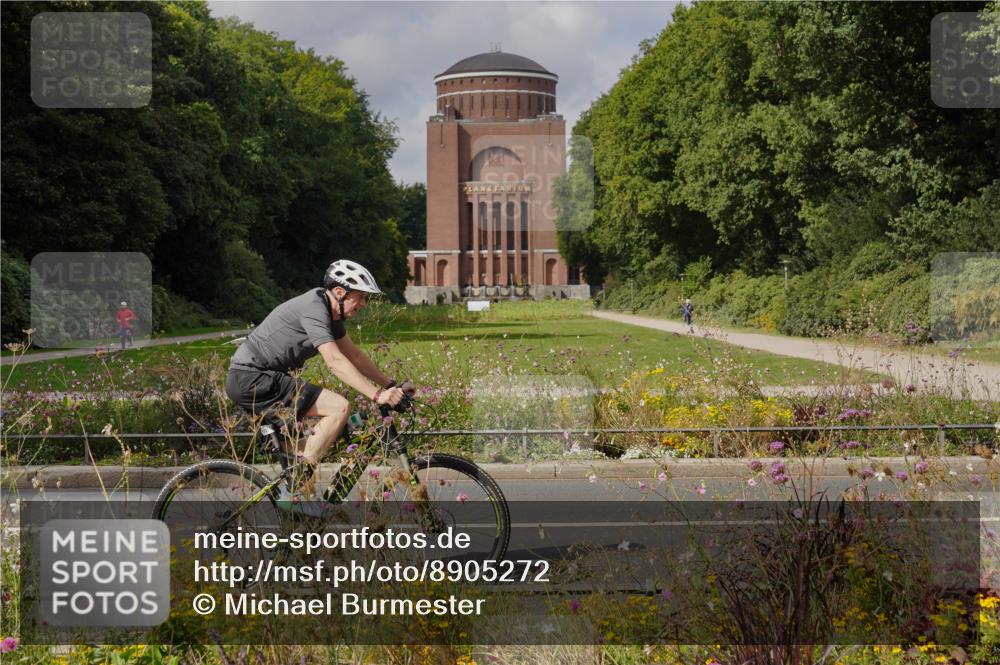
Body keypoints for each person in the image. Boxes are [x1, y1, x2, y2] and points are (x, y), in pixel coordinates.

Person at [224, 260, 415, 508]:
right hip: (252, 378)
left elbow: (353, 356)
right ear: (339, 292)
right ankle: (293, 489)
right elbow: (334, 361)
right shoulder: (314, 307)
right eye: (360, 297)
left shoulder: (330, 315)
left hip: (260, 378)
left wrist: (392, 384)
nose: (364, 304)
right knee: (339, 408)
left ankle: (296, 506)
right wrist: (378, 395)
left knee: (320, 436)